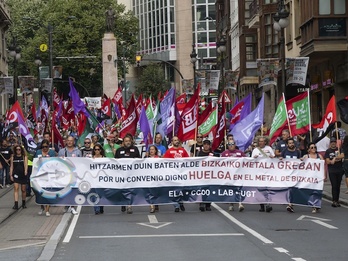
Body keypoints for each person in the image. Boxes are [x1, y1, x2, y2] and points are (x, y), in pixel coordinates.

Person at [115, 134, 141, 214]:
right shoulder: (119, 150)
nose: (128, 142)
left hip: (132, 174)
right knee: (122, 189)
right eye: (126, 141)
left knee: (130, 190)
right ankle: (123, 203)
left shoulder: (135, 149)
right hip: (122, 174)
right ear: (123, 142)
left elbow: (139, 161)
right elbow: (115, 162)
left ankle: (129, 205)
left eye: (129, 141)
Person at [163, 136, 189, 212]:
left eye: (177, 140)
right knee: (174, 190)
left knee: (182, 189)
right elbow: (164, 162)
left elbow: (188, 160)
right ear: (172, 142)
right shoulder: (169, 151)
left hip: (181, 173)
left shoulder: (183, 150)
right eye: (175, 140)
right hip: (173, 174)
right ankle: (176, 205)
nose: (176, 141)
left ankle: (181, 202)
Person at [58, 136, 82, 215]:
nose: (69, 142)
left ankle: (72, 207)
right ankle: (67, 205)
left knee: (73, 191)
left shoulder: (78, 151)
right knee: (66, 191)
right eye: (68, 140)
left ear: (73, 141)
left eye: (71, 141)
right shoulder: (62, 151)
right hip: (65, 174)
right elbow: (58, 163)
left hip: (74, 174)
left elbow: (81, 163)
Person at [221, 140, 246, 212]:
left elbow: (247, 161)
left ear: (235, 144)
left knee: (239, 188)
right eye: (229, 144)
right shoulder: (224, 153)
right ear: (227, 145)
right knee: (230, 190)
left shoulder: (240, 152)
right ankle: (231, 204)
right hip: (229, 174)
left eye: (232, 144)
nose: (231, 145)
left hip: (238, 174)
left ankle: (240, 204)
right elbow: (220, 163)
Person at [251, 136, 275, 212]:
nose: (261, 143)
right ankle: (262, 205)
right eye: (260, 141)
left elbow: (274, 159)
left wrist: (272, 157)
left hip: (268, 172)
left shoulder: (269, 148)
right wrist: (254, 158)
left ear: (265, 142)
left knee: (267, 188)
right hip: (258, 173)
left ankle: (268, 204)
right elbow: (251, 161)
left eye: (262, 141)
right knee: (260, 189)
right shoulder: (255, 150)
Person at [279, 138, 302, 213]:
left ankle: (290, 204)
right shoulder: (284, 151)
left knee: (292, 189)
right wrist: (280, 159)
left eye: (292, 143)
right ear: (287, 144)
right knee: (288, 188)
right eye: (290, 143)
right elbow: (280, 160)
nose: (291, 144)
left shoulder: (298, 152)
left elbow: (300, 160)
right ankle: (289, 203)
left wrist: (302, 159)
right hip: (286, 173)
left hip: (295, 173)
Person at [302, 142, 326, 213]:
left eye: (315, 147)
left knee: (318, 191)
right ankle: (314, 205)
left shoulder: (320, 156)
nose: (314, 149)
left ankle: (316, 205)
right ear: (308, 149)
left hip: (318, 177)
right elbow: (301, 165)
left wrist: (324, 175)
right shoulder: (306, 156)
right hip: (310, 177)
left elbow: (323, 166)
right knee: (311, 191)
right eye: (312, 147)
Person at [35, 139, 56, 216]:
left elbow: (54, 162)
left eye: (46, 147)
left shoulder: (51, 152)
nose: (44, 148)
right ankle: (42, 206)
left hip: (49, 174)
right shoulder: (38, 152)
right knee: (40, 191)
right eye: (43, 147)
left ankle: (47, 210)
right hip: (40, 174)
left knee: (48, 191)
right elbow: (35, 162)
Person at [324, 137, 344, 207]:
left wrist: (334, 159)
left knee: (338, 186)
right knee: (334, 185)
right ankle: (334, 200)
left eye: (334, 142)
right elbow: (328, 161)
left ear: (336, 143)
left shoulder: (339, 149)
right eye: (332, 142)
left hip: (339, 170)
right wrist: (334, 160)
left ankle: (337, 200)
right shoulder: (328, 151)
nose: (333, 143)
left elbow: (342, 155)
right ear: (330, 143)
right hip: (332, 171)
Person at [197, 139, 215, 212]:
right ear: (203, 145)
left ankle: (208, 204)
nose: (206, 146)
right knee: (202, 189)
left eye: (208, 144)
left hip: (210, 174)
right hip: (202, 174)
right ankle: (202, 203)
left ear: (209, 146)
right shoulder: (199, 153)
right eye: (205, 144)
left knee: (209, 190)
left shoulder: (212, 154)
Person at [9, 145, 28, 210]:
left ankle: (23, 203)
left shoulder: (24, 157)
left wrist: (25, 171)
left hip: (23, 175)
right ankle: (16, 204)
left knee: (23, 190)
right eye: (17, 149)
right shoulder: (13, 157)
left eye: (19, 149)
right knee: (16, 188)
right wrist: (11, 175)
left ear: (21, 150)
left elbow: (26, 165)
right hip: (16, 175)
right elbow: (11, 166)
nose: (18, 151)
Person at [145, 145, 160, 213]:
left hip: (156, 177)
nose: (151, 151)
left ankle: (156, 204)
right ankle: (152, 206)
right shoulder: (146, 158)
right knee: (150, 192)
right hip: (149, 177)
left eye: (153, 149)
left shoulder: (159, 158)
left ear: (155, 151)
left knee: (156, 192)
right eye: (150, 149)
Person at [92, 144, 105, 215]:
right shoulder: (91, 159)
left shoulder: (104, 158)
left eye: (98, 149)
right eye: (95, 149)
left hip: (102, 178)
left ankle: (101, 206)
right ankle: (96, 209)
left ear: (100, 150)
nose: (97, 151)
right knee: (94, 194)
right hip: (94, 178)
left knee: (101, 194)